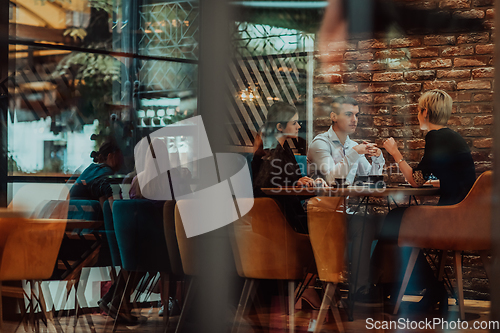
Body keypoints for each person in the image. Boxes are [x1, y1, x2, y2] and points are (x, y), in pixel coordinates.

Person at [375, 89, 476, 312]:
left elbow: (416, 180)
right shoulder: (452, 136)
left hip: (452, 217)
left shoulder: (435, 137)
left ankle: (389, 286)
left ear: (425, 112)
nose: (417, 114)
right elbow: (457, 177)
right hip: (467, 216)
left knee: (393, 219)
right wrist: (440, 183)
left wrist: (395, 153)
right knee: (398, 221)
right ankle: (407, 287)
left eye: (418, 110)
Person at [307, 96, 384, 301]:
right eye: (349, 114)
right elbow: (332, 177)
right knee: (364, 223)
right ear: (333, 116)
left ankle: (373, 286)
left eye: (357, 115)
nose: (355, 119)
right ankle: (360, 289)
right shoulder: (320, 143)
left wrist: (377, 158)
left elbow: (371, 180)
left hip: (346, 211)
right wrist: (354, 153)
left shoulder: (352, 145)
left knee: (388, 223)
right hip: (323, 214)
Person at [252, 101, 324, 234]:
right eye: (294, 123)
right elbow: (264, 186)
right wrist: (297, 183)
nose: (298, 126)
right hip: (277, 217)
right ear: (280, 126)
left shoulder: (285, 148)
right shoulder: (268, 150)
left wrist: (311, 184)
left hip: (291, 211)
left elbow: (294, 181)